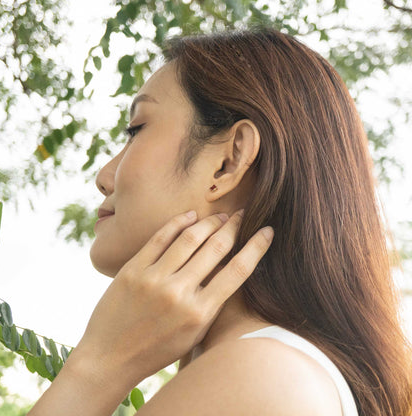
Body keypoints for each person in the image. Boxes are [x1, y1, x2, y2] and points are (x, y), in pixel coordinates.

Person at [28, 27, 412, 416]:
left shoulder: (260, 377)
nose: (104, 176)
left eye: (136, 130)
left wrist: (98, 368)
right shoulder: (279, 370)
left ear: (228, 162)